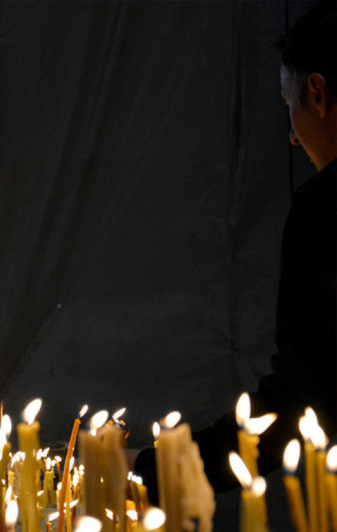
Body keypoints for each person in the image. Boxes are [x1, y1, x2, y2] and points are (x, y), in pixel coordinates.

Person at [131, 0, 336, 499]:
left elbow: (302, 400)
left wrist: (156, 470)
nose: (291, 136)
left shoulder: (325, 211)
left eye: (289, 105)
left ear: (317, 93)